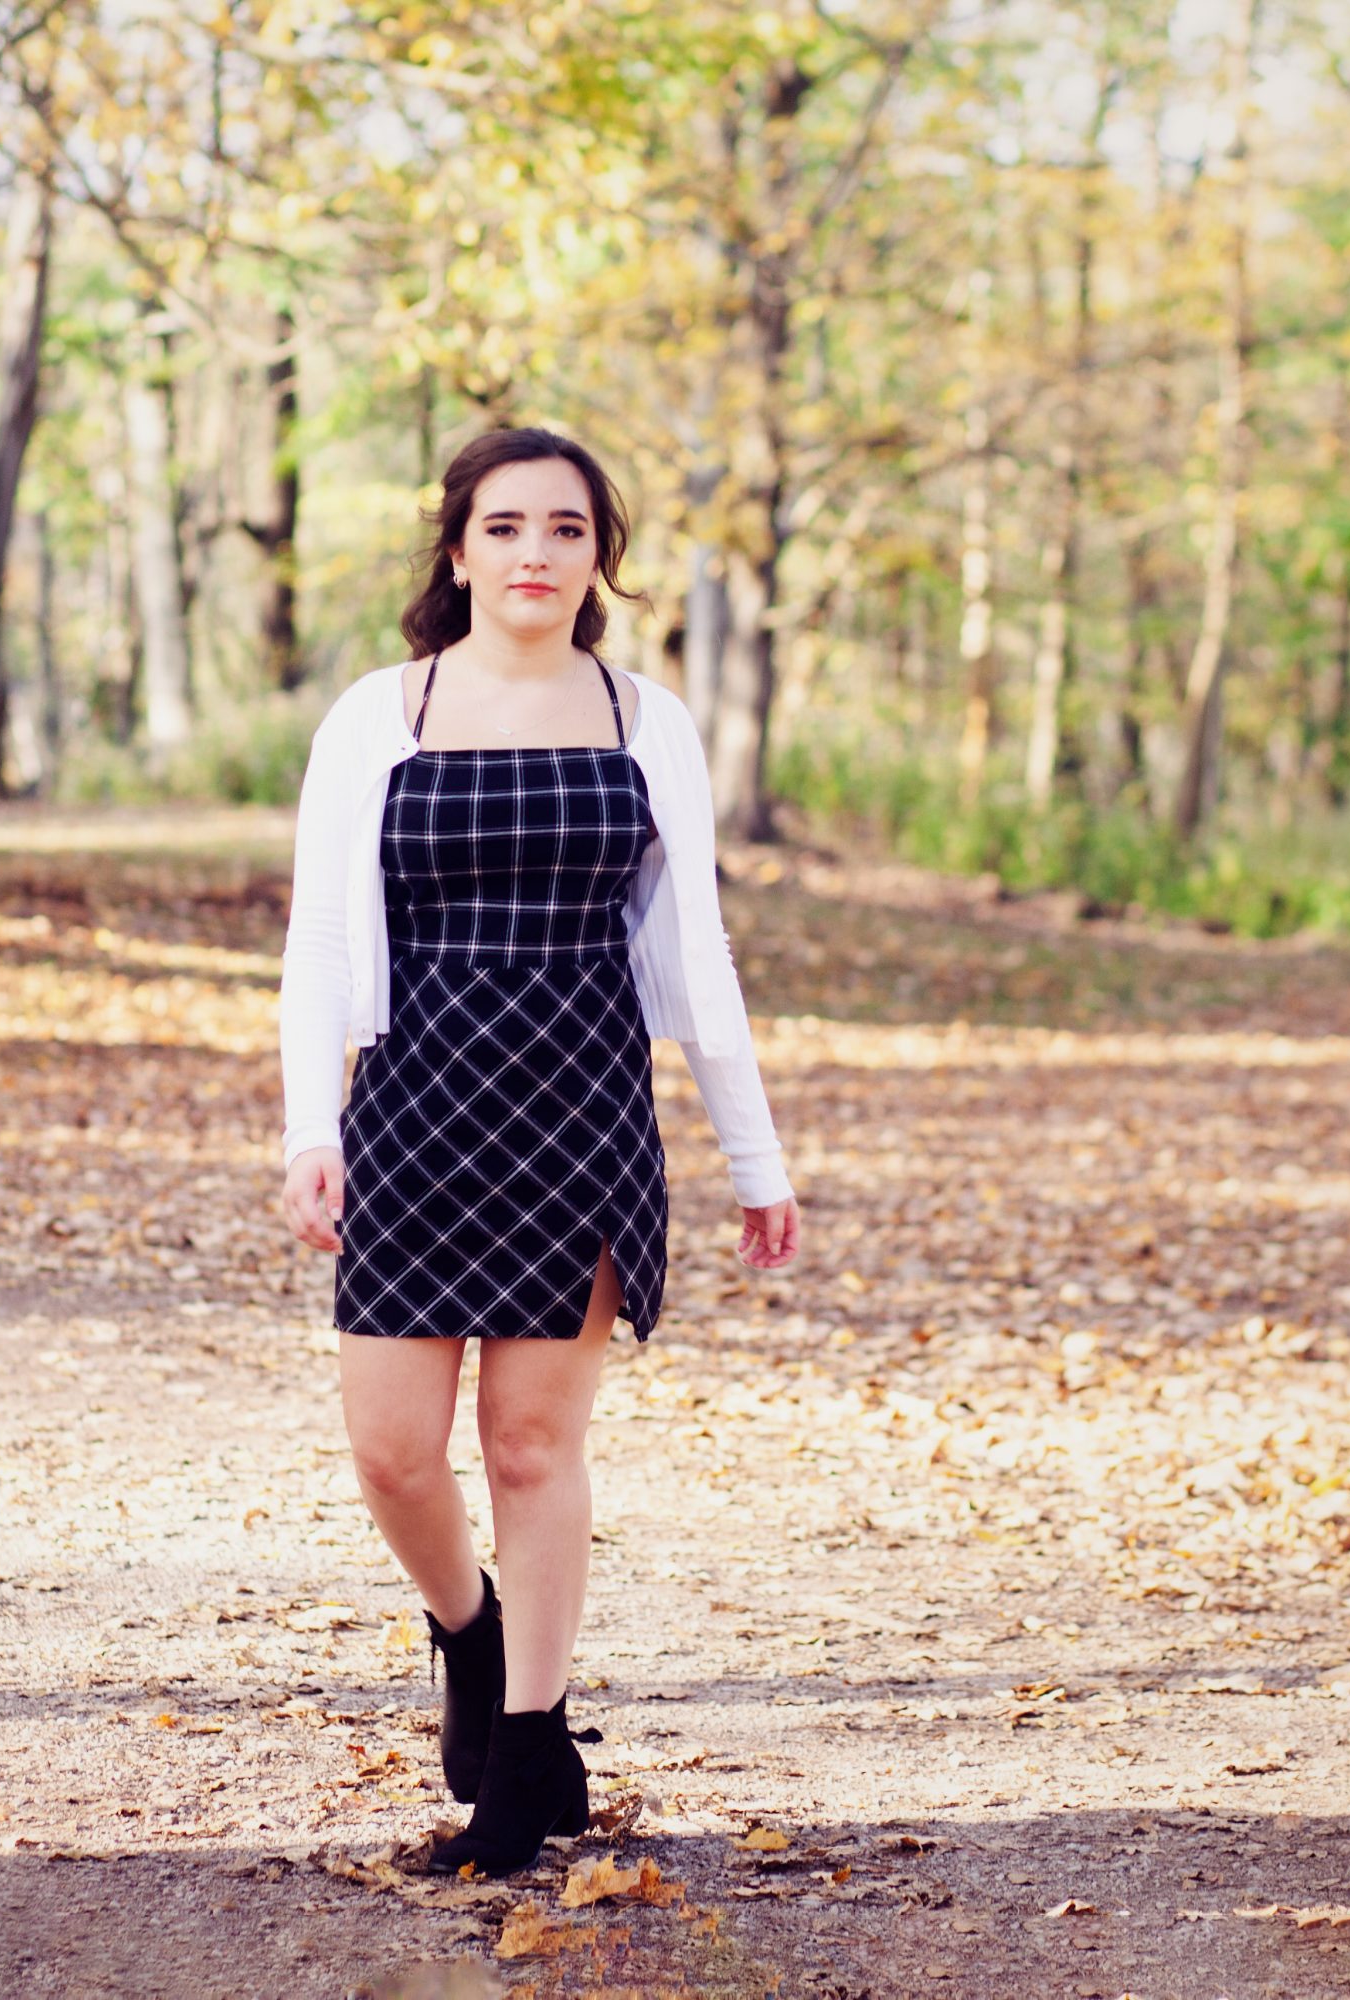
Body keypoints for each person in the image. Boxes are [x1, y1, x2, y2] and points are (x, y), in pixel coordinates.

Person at [277, 427, 800, 1877]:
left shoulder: (648, 722)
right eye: (504, 527)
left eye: (565, 529)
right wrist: (309, 1127)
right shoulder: (377, 717)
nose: (533, 552)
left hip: (580, 1107)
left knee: (527, 1443)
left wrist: (755, 1160)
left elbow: (695, 955)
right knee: (390, 1452)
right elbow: (320, 939)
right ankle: (470, 1628)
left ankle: (526, 1751)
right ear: (458, 551)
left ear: (597, 558)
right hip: (417, 1104)